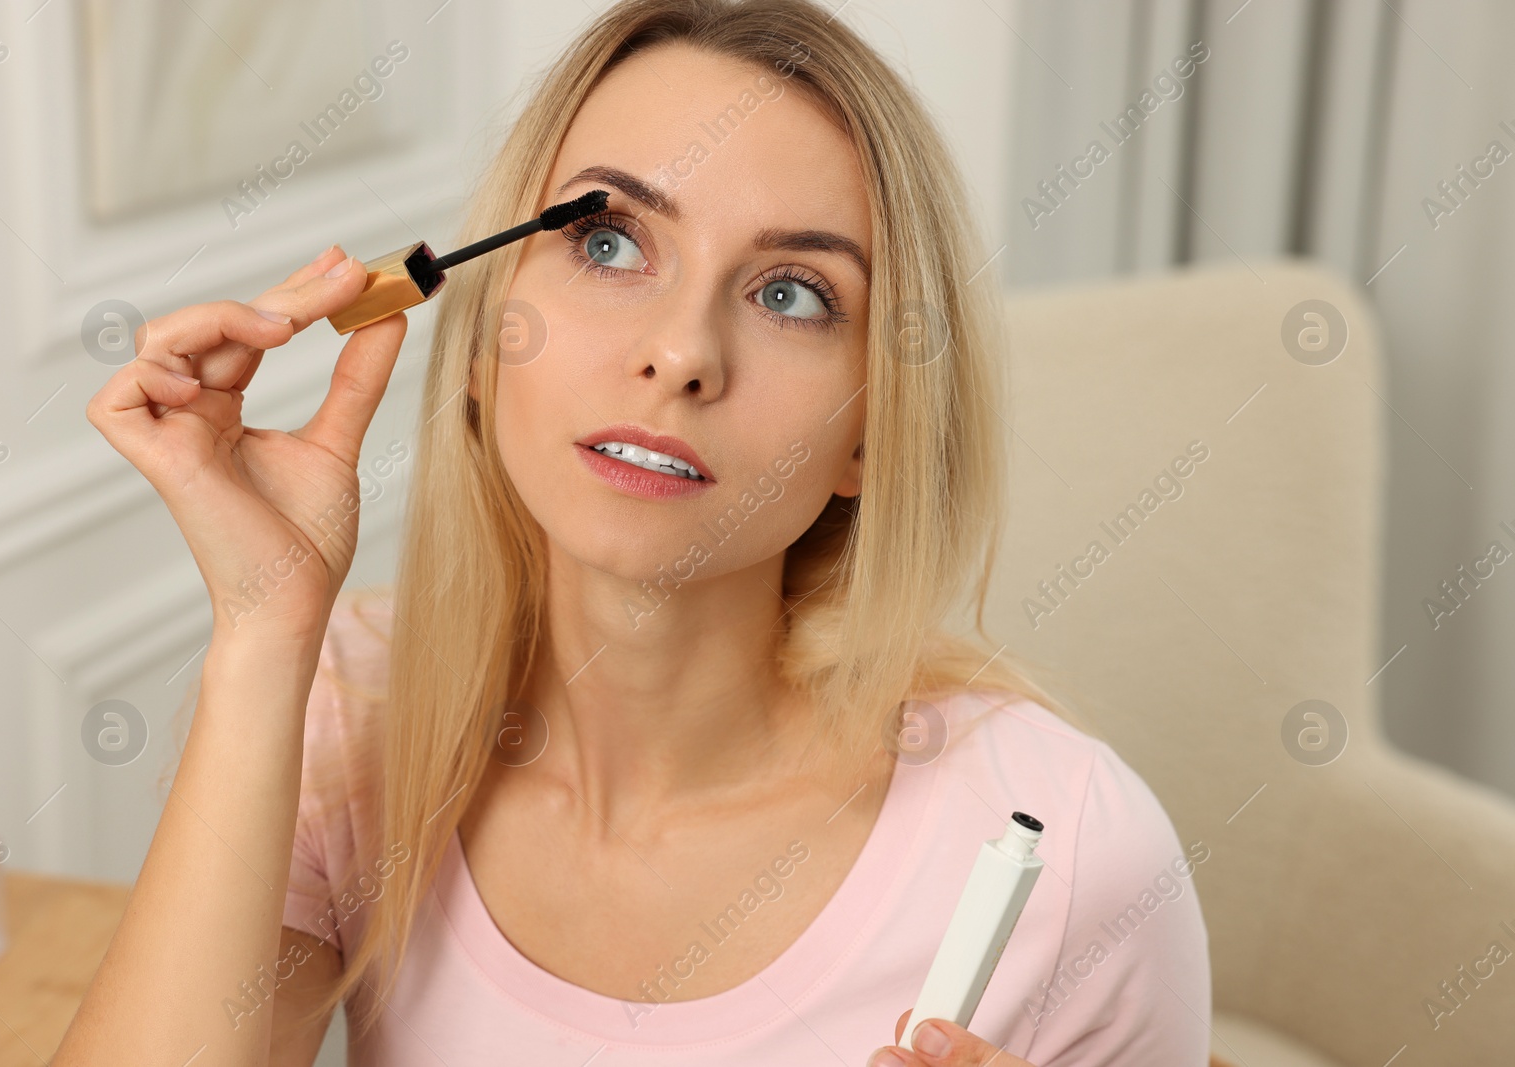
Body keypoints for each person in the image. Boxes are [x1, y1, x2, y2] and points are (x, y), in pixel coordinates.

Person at [63, 1, 1211, 1064]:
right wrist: (267, 629)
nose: (681, 351)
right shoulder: (349, 725)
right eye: (607, 243)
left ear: (873, 431)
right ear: (480, 340)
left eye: (791, 292)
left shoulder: (1070, 855)